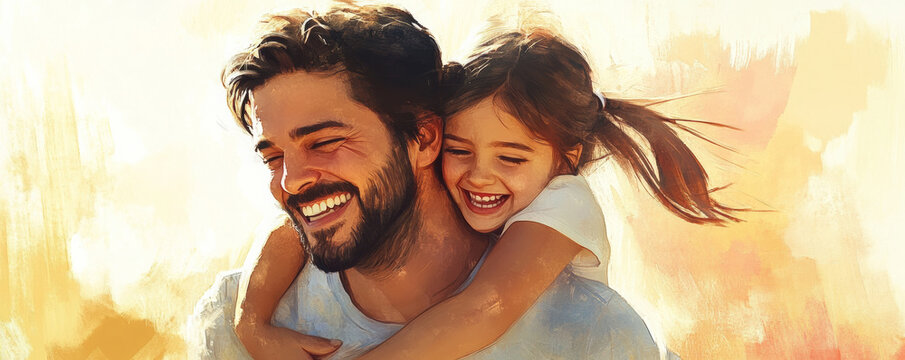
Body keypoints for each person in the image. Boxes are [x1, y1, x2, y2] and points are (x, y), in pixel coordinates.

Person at [228, 12, 738, 360]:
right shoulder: (238, 310)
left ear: (421, 138)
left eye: (325, 142)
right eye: (461, 149)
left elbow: (484, 305)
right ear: (438, 140)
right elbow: (287, 223)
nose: (479, 176)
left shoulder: (564, 208)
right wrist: (250, 321)